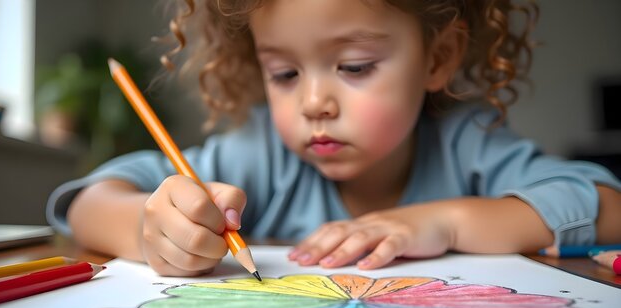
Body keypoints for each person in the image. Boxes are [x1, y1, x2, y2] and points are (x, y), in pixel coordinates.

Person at [47, 0, 621, 276]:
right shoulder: (259, 154)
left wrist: (445, 221)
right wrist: (151, 228)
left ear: (438, 57)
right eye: (285, 74)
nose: (314, 102)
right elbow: (89, 202)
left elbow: (606, 206)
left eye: (354, 66)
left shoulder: (464, 143)